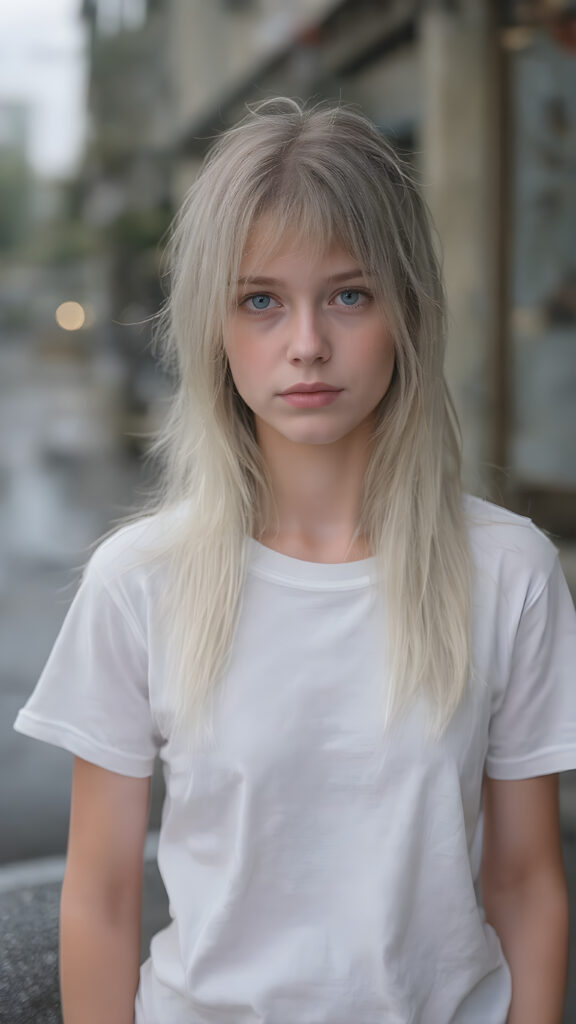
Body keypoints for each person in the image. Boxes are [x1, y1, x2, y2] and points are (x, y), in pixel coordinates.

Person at [13, 97, 576, 1024]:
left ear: (407, 314)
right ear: (213, 325)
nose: (306, 342)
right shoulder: (137, 582)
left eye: (349, 294)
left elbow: (525, 884)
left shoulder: (509, 573)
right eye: (261, 300)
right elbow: (101, 899)